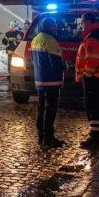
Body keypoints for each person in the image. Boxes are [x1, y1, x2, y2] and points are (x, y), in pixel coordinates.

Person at [75, 12, 99, 150]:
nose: (81, 24)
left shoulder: (92, 37)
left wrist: (87, 75)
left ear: (88, 22)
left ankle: (95, 139)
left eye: (83, 21)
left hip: (94, 78)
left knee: (92, 108)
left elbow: (92, 60)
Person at [30, 17, 65, 148]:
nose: (56, 28)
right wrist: (64, 66)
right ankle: (48, 138)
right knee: (50, 110)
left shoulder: (35, 39)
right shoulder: (50, 41)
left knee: (41, 108)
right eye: (54, 25)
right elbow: (55, 62)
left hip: (39, 80)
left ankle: (41, 136)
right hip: (52, 81)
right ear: (49, 27)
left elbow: (32, 60)